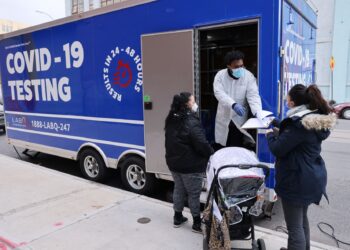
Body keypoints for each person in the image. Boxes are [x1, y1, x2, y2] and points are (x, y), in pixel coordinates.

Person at [266, 84, 337, 250]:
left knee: (295, 227)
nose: (286, 100)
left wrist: (269, 135)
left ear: (292, 103)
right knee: (301, 220)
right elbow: (295, 138)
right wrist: (277, 124)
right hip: (310, 177)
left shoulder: (298, 125)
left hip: (296, 180)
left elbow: (278, 149)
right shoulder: (312, 119)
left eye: (287, 98)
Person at [165, 92, 214, 233]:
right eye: (193, 101)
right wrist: (212, 154)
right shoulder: (191, 121)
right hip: (191, 166)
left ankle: (177, 218)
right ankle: (197, 224)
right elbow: (201, 143)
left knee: (179, 189)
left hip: (174, 163)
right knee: (194, 194)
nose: (195, 103)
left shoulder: (171, 117)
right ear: (187, 104)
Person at [213, 50, 262, 149]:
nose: (240, 68)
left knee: (236, 145)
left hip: (239, 118)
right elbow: (219, 93)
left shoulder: (248, 76)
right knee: (222, 145)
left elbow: (253, 96)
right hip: (224, 116)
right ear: (228, 66)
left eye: (242, 66)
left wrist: (257, 112)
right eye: (236, 67)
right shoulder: (220, 75)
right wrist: (233, 104)